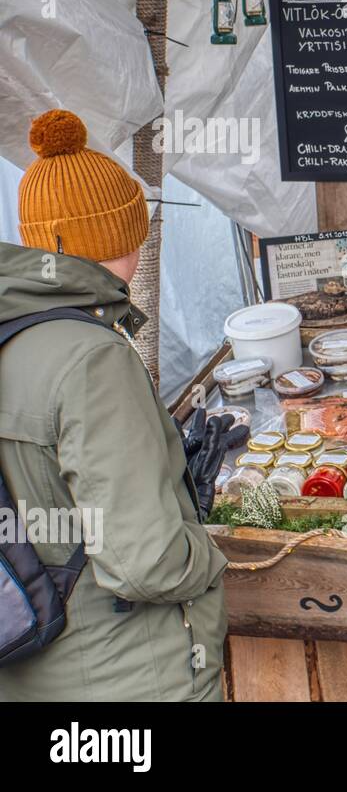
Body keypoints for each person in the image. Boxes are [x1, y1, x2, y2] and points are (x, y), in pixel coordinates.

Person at [0, 110, 227, 701]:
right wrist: (208, 548)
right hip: (127, 679)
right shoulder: (92, 358)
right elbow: (146, 562)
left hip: (30, 666)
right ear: (121, 234)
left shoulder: (13, 332)